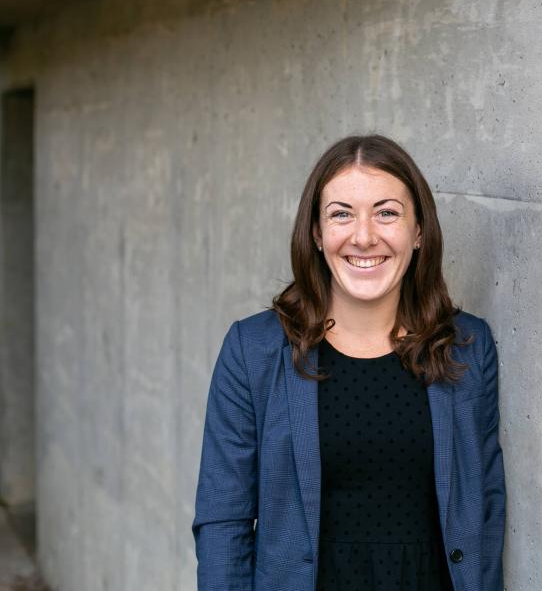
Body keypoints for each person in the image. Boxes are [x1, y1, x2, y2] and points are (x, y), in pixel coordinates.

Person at [192, 134, 506, 591]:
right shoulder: (253, 352)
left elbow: (486, 507)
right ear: (317, 233)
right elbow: (224, 520)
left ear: (419, 230)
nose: (364, 236)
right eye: (341, 214)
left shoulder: (467, 347)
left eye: (387, 213)